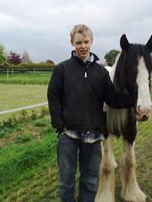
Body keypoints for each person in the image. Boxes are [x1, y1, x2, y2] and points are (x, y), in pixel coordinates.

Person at [47, 24, 136, 202]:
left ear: (91, 41)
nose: (83, 46)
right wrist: (60, 128)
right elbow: (53, 97)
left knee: (89, 182)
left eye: (86, 41)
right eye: (78, 42)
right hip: (68, 136)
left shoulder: (100, 72)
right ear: (72, 43)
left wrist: (135, 100)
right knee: (66, 182)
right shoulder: (62, 69)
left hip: (94, 137)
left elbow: (112, 99)